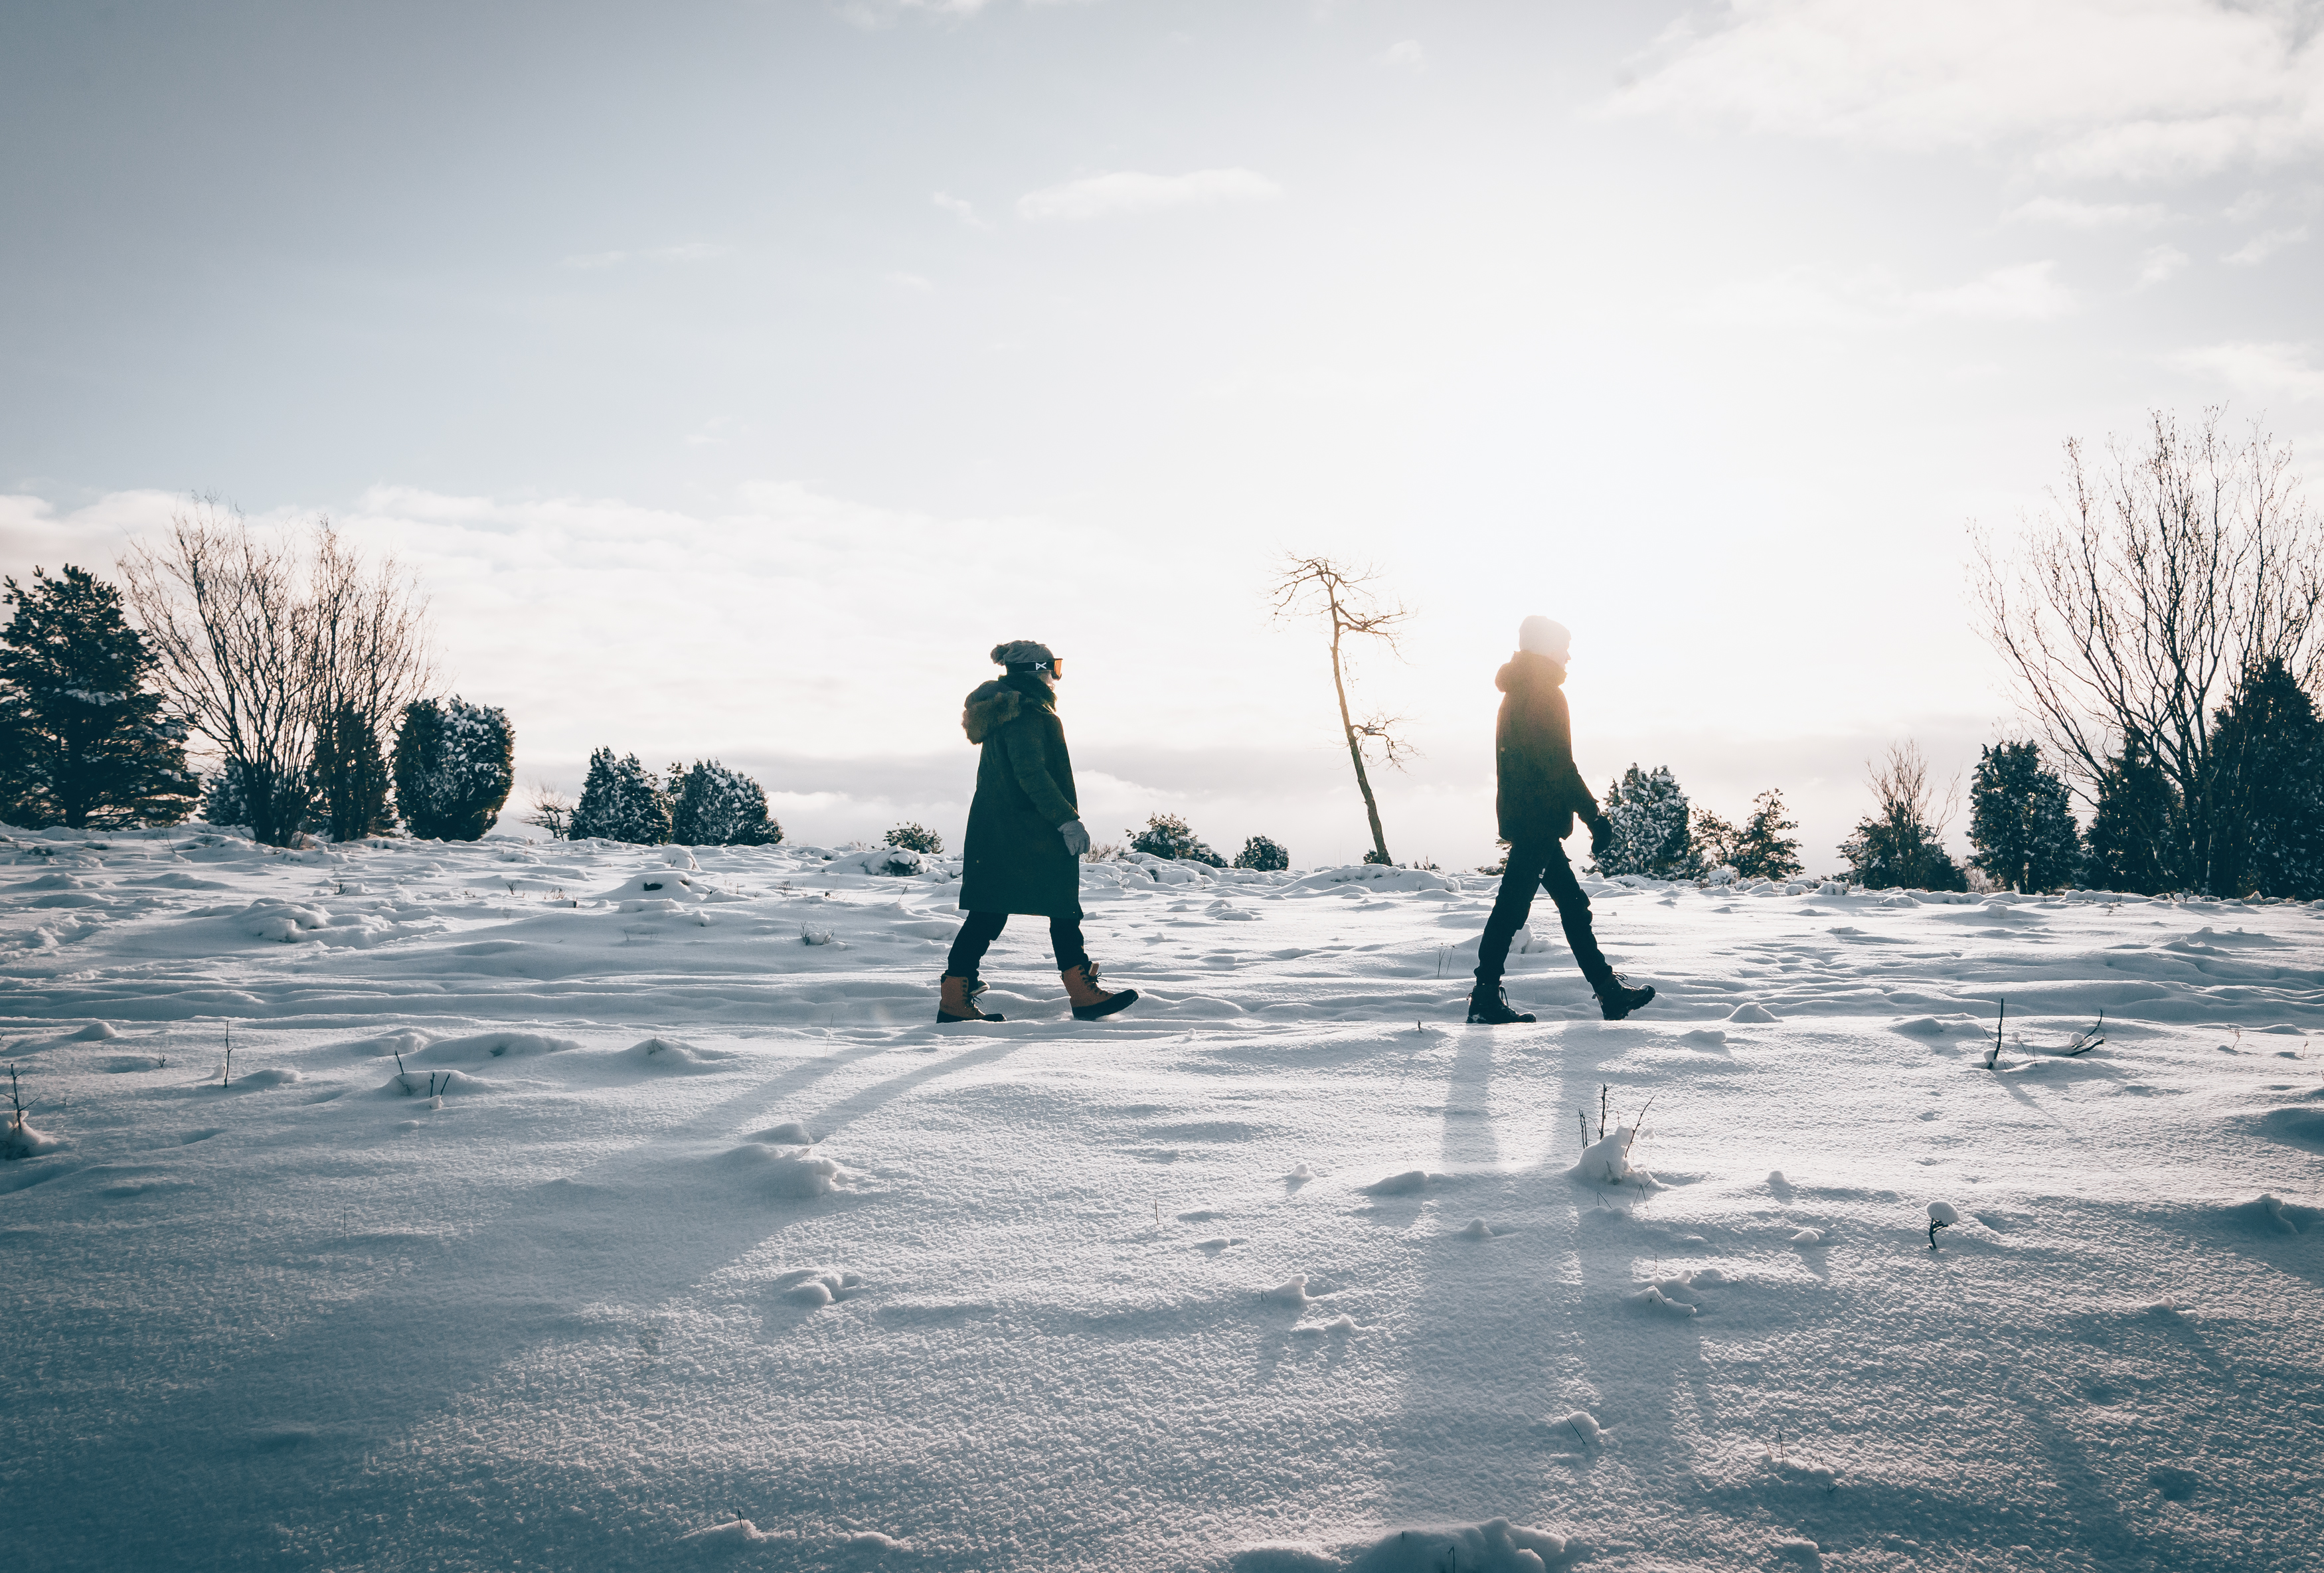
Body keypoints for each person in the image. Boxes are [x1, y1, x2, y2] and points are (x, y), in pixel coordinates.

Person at [939, 640, 1138, 1025]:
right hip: (1032, 830)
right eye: (1053, 668)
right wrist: (1066, 820)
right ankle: (1082, 992)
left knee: (989, 911)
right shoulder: (1028, 712)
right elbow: (1031, 773)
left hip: (999, 830)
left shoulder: (1004, 711)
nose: (1055, 677)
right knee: (1061, 907)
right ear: (1037, 670)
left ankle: (954, 997)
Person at [1469, 616, 1656, 1025]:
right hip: (1537, 821)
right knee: (1512, 910)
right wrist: (1594, 817)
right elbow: (1558, 765)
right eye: (1563, 647)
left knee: (1573, 906)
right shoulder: (1542, 694)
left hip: (1528, 817)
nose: (1568, 655)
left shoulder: (1517, 692)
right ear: (1544, 649)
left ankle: (1608, 992)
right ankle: (1484, 1000)